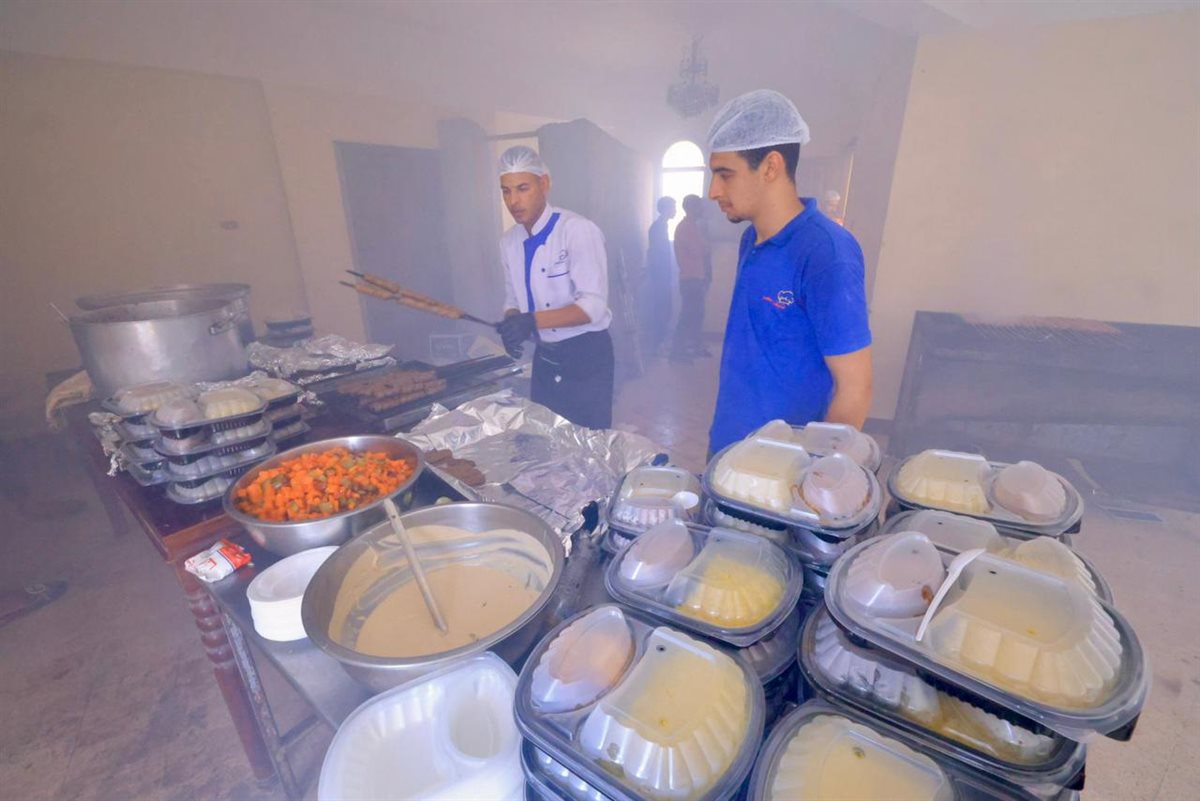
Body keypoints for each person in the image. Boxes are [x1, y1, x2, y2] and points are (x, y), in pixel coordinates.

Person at [705, 90, 873, 455]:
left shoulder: (825, 253)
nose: (713, 191)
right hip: (730, 447)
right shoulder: (752, 239)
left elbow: (855, 389)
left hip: (782, 466)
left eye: (725, 175)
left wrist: (812, 473)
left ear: (770, 166)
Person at [494, 145, 615, 429]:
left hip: (586, 356)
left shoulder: (577, 230)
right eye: (506, 191)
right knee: (545, 437)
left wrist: (531, 321)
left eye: (522, 188)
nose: (513, 201)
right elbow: (512, 299)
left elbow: (593, 307)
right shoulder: (508, 242)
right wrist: (513, 324)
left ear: (544, 184)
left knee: (588, 443)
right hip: (545, 356)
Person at [671, 194, 712, 360]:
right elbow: (699, 251)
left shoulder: (693, 226)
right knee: (688, 315)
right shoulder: (686, 227)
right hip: (690, 278)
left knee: (696, 315)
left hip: (696, 276)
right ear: (691, 208)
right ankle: (677, 351)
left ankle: (694, 347)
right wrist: (704, 245)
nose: (702, 210)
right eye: (699, 206)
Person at [641, 197, 676, 355]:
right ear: (666, 209)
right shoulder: (657, 227)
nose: (675, 210)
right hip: (659, 274)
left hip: (663, 274)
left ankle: (659, 342)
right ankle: (657, 344)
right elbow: (656, 253)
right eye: (673, 207)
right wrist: (661, 274)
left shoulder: (662, 226)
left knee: (665, 308)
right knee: (661, 309)